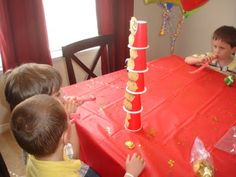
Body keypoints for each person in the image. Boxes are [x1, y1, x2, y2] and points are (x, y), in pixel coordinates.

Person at [10, 94, 145, 177]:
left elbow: (73, 156)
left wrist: (69, 119)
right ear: (65, 137)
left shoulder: (33, 154)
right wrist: (130, 174)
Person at [4, 63, 83, 159]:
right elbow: (74, 156)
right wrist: (70, 118)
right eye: (58, 94)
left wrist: (61, 101)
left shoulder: (30, 127)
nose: (63, 96)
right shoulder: (50, 133)